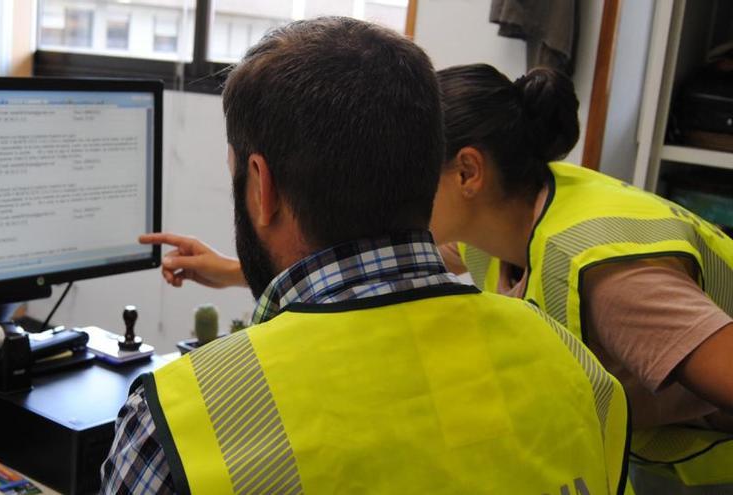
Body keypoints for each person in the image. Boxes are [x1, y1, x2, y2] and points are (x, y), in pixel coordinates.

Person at [146, 63, 733, 493]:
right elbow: (391, 273)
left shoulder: (612, 277)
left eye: (409, 169)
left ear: (468, 171)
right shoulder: (503, 219)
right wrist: (227, 269)